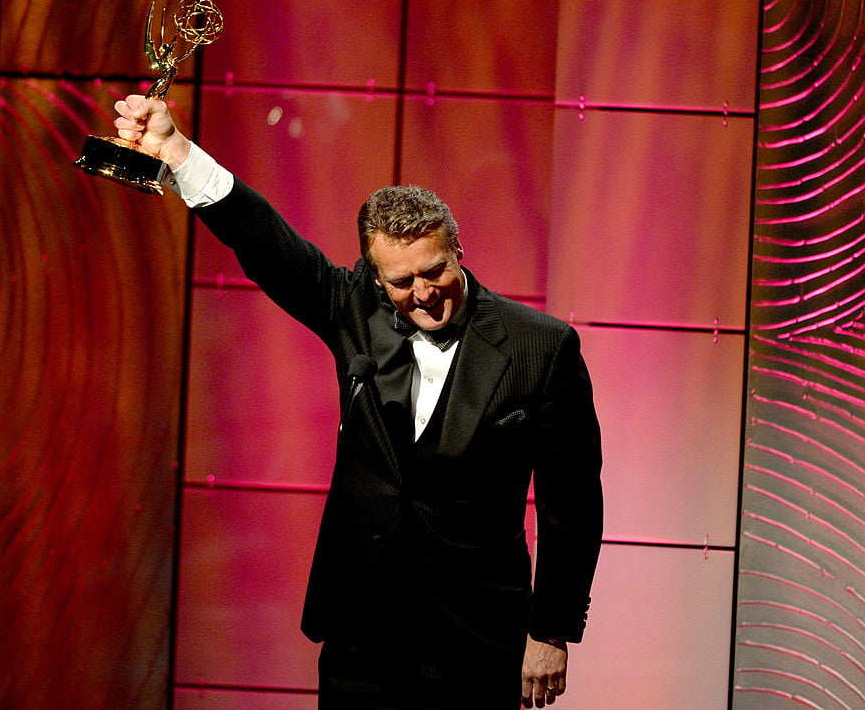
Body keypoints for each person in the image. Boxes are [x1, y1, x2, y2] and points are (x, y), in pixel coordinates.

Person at [112, 94, 603, 709]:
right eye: (402, 282)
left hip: (479, 639)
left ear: (459, 253)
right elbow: (267, 244)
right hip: (362, 637)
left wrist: (550, 628)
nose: (424, 294)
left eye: (435, 271)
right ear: (375, 279)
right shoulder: (354, 312)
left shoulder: (541, 347)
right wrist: (178, 150)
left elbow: (574, 505)